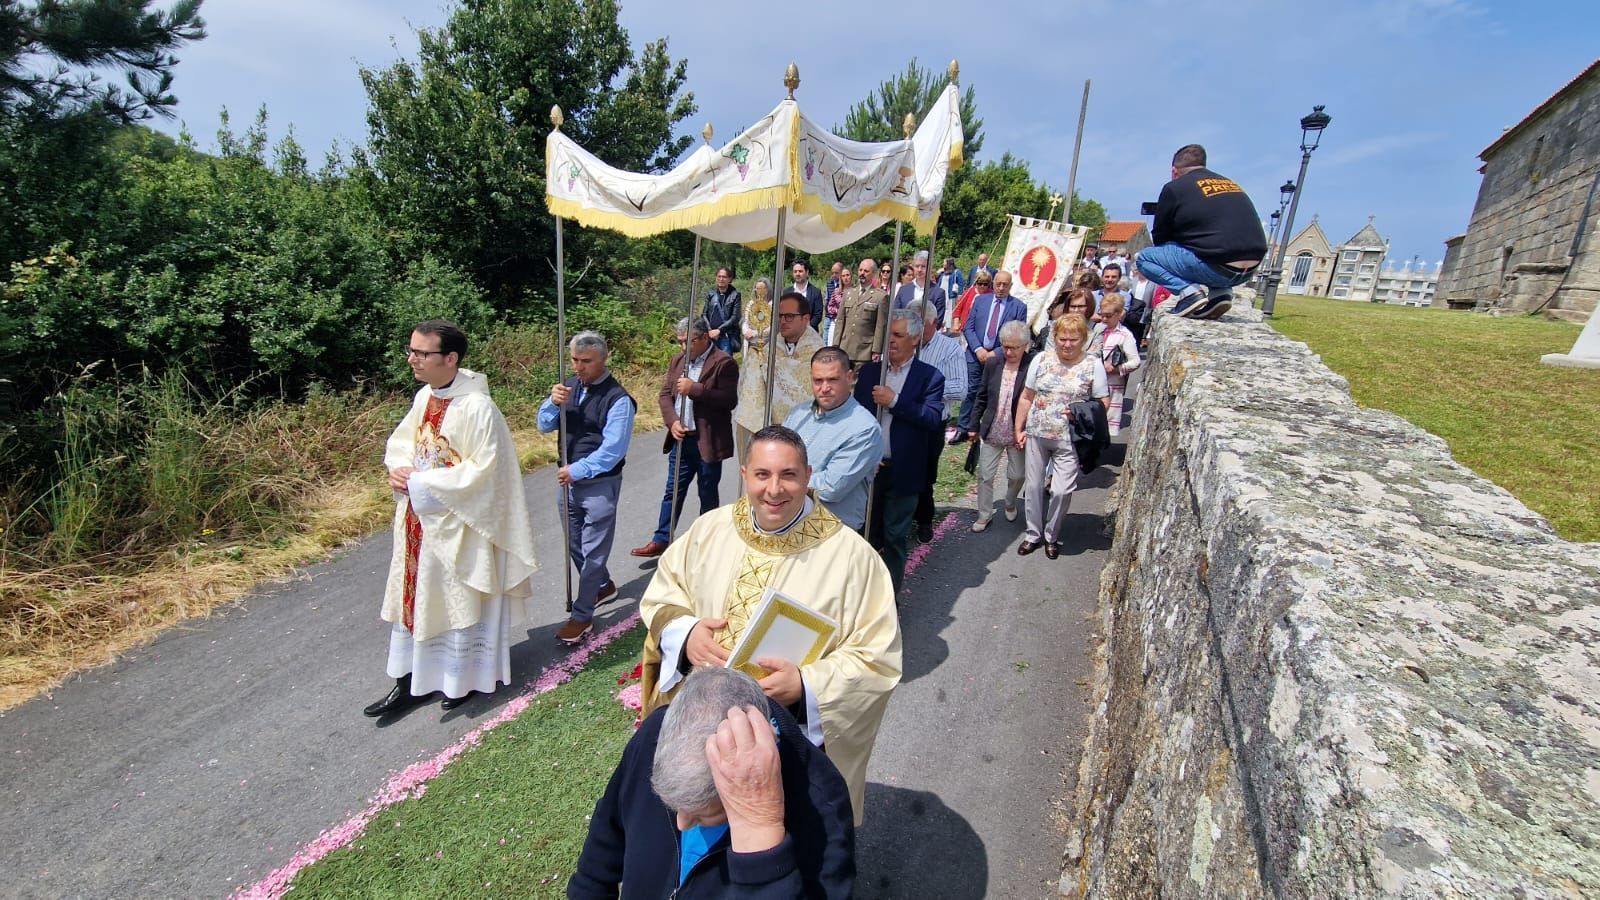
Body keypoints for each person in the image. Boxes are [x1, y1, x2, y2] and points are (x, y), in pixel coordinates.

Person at [638, 425, 903, 825]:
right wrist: (686, 632)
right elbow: (665, 593)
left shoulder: (853, 559)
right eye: (762, 475)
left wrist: (807, 684)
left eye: (789, 475)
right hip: (701, 723)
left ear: (808, 476)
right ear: (744, 475)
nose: (774, 490)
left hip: (782, 736)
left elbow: (876, 659)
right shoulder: (710, 529)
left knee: (772, 846)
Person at [367, 320, 540, 717]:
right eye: (411, 351)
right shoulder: (424, 397)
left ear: (450, 358)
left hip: (463, 527)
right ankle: (409, 681)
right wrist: (399, 468)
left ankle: (461, 680)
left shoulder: (478, 407)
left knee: (456, 601)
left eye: (421, 353)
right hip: (419, 523)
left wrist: (424, 483)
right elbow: (402, 443)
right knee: (417, 601)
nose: (412, 359)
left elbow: (487, 473)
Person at [569, 667, 855, 899]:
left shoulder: (821, 801)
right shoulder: (654, 734)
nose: (681, 823)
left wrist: (760, 834)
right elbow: (606, 838)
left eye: (700, 810)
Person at [538, 330, 636, 644]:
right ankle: (603, 586)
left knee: (593, 552)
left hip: (599, 484)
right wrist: (553, 404)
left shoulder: (618, 399)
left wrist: (577, 470)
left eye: (587, 361)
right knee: (574, 545)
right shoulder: (566, 387)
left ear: (603, 359)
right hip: (567, 483)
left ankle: (581, 616)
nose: (579, 367)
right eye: (576, 360)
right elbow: (543, 424)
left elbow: (613, 450)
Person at [631, 318, 739, 559]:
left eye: (687, 341)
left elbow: (729, 400)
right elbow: (664, 396)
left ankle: (708, 541)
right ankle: (661, 539)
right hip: (682, 439)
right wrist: (673, 422)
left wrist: (695, 389)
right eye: (679, 341)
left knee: (707, 491)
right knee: (673, 491)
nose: (682, 347)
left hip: (707, 440)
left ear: (703, 338)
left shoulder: (724, 362)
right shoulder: (678, 361)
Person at [855, 310, 944, 593]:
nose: (890, 341)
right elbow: (855, 417)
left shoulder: (929, 377)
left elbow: (931, 418)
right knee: (863, 536)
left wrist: (894, 401)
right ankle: (860, 597)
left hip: (903, 471)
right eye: (888, 334)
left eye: (898, 335)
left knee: (895, 537)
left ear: (915, 339)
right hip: (869, 470)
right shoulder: (871, 372)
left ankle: (889, 602)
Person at [1014, 315, 1108, 559]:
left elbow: (1103, 402)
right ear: (1054, 338)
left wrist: (1080, 412)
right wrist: (1019, 428)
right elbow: (1027, 396)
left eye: (1073, 339)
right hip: (1038, 432)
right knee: (1033, 487)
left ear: (1083, 340)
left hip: (1070, 438)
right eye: (1062, 339)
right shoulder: (1040, 360)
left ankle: (1051, 535)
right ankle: (1032, 535)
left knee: (1062, 490)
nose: (1067, 344)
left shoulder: (1092, 364)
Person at [1139, 143, 1267, 319]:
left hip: (1216, 267)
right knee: (1206, 247)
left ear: (1174, 171)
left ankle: (1189, 294)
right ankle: (1220, 293)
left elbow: (1160, 237)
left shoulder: (1175, 187)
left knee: (1145, 258)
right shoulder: (1229, 183)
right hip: (1249, 270)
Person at [783, 347, 884, 532]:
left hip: (830, 531)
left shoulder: (864, 429)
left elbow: (832, 487)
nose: (824, 388)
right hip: (787, 522)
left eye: (832, 380)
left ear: (849, 377)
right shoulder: (798, 414)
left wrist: (781, 480)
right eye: (818, 380)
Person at [735, 289, 826, 461]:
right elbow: (752, 395)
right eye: (780, 316)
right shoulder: (768, 350)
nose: (783, 321)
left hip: (808, 435)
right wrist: (754, 363)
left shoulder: (821, 355)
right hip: (773, 434)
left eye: (789, 316)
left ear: (806, 319)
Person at [966, 321, 1035, 532]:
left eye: (1014, 347)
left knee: (1017, 475)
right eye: (1005, 346)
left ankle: (1010, 501)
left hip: (1017, 432)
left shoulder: (1032, 366)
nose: (1009, 351)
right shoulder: (993, 364)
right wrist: (973, 425)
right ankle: (984, 514)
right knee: (985, 475)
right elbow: (982, 395)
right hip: (993, 429)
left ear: (1025, 345)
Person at [908, 299, 966, 543]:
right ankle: (902, 516)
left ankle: (923, 520)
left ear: (933, 323)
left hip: (931, 422)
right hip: (904, 416)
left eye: (919, 324)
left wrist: (926, 387)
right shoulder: (904, 344)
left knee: (926, 474)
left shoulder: (949, 349)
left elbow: (960, 388)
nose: (914, 330)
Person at [957, 269, 1028, 440]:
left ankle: (988, 427)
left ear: (1010, 286)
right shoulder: (980, 301)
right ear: (993, 284)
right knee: (971, 390)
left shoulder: (1019, 307)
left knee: (993, 391)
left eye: (1005, 284)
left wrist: (995, 352)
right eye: (998, 283)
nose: (1001, 287)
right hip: (975, 354)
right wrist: (978, 349)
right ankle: (963, 427)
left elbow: (1017, 334)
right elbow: (968, 327)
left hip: (1000, 357)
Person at [1093, 294, 1142, 436]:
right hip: (1093, 383)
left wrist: (1116, 369)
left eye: (1108, 316)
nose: (1104, 319)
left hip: (1112, 385)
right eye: (1102, 315)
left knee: (1105, 426)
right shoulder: (1097, 329)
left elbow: (1135, 361)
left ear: (1119, 314)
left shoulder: (1125, 335)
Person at [833, 258, 886, 368]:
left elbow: (880, 326)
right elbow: (840, 321)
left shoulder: (880, 296)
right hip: (845, 348)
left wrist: (876, 350)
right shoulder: (848, 293)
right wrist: (835, 344)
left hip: (864, 352)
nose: (862, 273)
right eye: (860, 270)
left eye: (866, 271)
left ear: (874, 274)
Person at [892, 250, 947, 325]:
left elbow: (937, 321)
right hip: (904, 334)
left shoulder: (938, 293)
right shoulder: (903, 290)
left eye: (923, 266)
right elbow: (896, 315)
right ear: (913, 267)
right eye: (917, 266)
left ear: (930, 268)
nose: (919, 270)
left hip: (927, 335)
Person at [702, 267, 743, 355]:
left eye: (724, 277)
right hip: (710, 336)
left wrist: (719, 330)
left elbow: (735, 317)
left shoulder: (735, 295)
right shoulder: (711, 294)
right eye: (719, 276)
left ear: (729, 279)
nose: (721, 279)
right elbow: (704, 314)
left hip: (726, 337)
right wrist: (709, 330)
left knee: (725, 365)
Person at [950, 268, 991, 337]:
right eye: (980, 283)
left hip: (982, 330)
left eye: (985, 284)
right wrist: (956, 323)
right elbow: (958, 308)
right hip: (965, 327)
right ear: (975, 282)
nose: (982, 286)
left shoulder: (991, 295)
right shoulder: (968, 292)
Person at [790, 260, 826, 333]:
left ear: (807, 273)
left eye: (800, 271)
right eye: (795, 271)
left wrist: (806, 328)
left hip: (809, 334)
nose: (797, 274)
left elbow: (818, 315)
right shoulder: (787, 292)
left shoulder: (816, 292)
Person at [821, 264, 852, 346]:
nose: (845, 278)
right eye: (843, 276)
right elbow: (829, 306)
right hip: (835, 321)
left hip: (850, 324)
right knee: (831, 345)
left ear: (851, 276)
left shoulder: (856, 291)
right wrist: (838, 311)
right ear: (841, 278)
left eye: (847, 275)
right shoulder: (836, 291)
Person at [935, 255, 965, 322]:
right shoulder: (942, 272)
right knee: (940, 308)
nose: (943, 264)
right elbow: (933, 277)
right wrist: (939, 271)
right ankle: (941, 323)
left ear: (949, 263)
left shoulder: (956, 272)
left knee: (949, 310)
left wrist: (960, 296)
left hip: (950, 295)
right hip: (941, 293)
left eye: (944, 262)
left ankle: (947, 327)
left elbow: (961, 284)